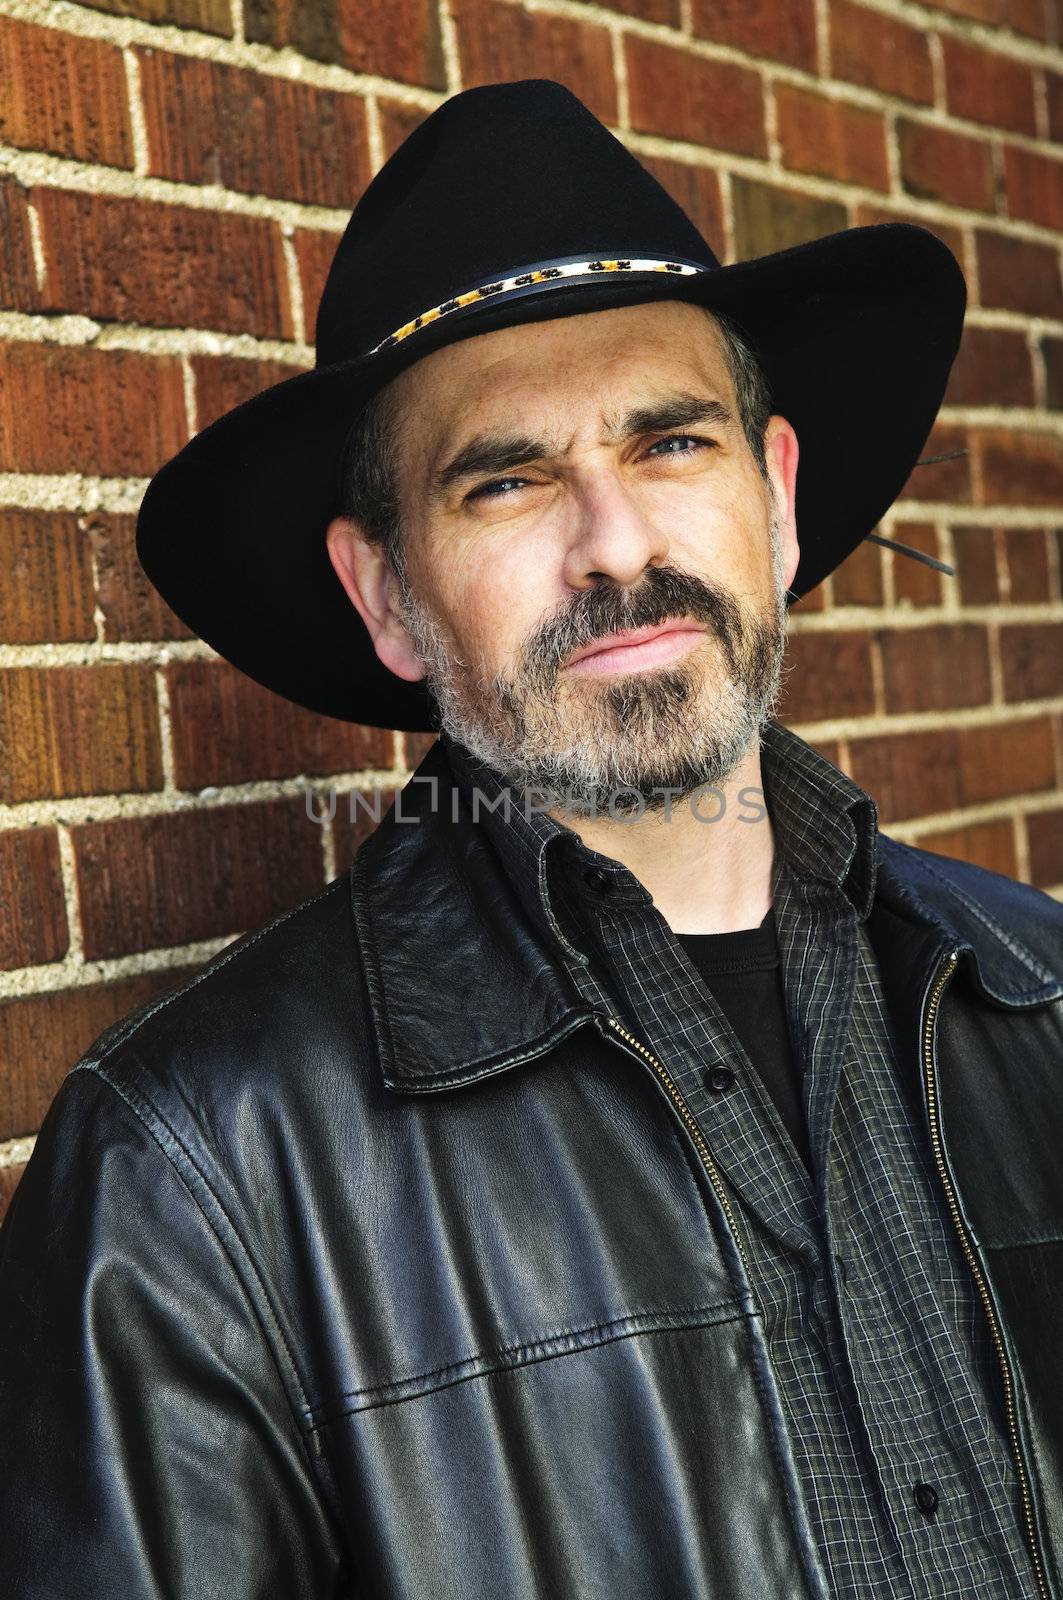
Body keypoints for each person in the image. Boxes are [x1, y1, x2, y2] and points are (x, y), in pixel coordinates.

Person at [1, 77, 1061, 1600]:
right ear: (385, 599)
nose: (617, 544)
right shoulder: (194, 1179)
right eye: (507, 480)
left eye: (672, 446)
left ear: (773, 495)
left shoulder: (1042, 997)